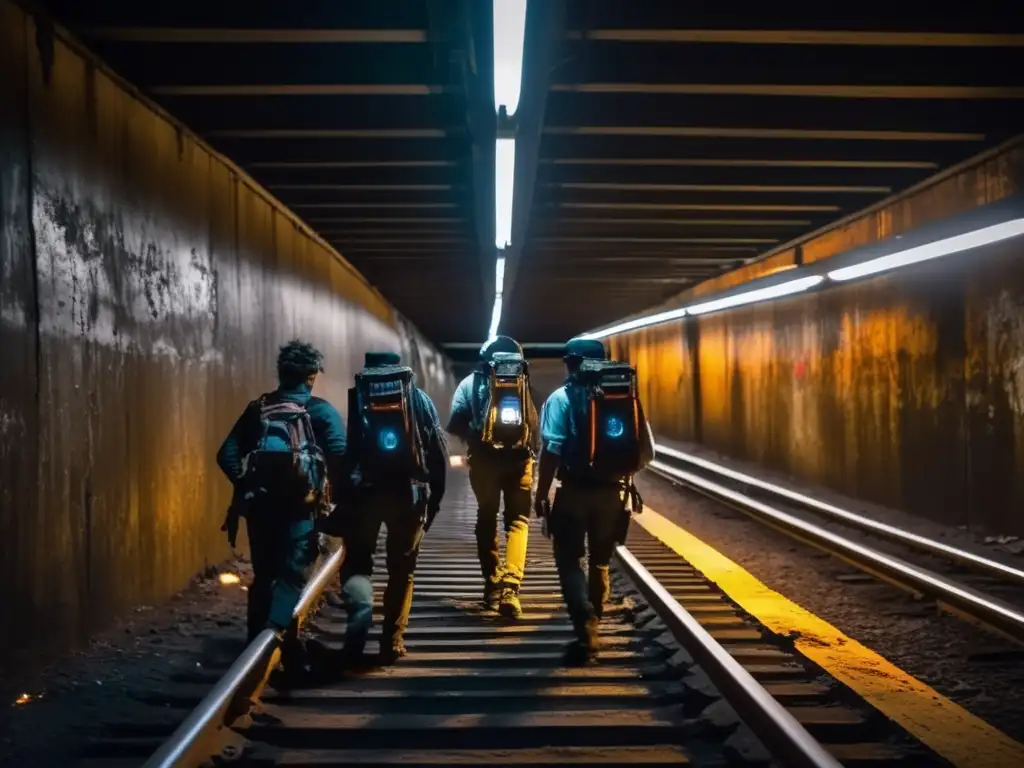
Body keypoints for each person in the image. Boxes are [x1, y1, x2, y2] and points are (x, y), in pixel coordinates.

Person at [215, 339, 346, 674]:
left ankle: (253, 651)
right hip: (302, 512)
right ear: (311, 376)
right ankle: (282, 643)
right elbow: (342, 458)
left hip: (260, 511)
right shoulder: (320, 412)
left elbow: (226, 455)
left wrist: (246, 486)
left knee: (264, 577)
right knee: (292, 577)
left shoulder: (258, 410)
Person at [534, 338, 655, 664]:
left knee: (569, 559)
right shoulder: (626, 396)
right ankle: (595, 623)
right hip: (612, 495)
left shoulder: (560, 398)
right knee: (600, 562)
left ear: (571, 363)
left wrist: (542, 492)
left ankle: (585, 628)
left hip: (573, 493)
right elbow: (646, 453)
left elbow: (551, 450)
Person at [326, 351, 448, 666]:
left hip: (366, 496)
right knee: (402, 570)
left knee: (357, 564)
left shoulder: (358, 399)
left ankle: (361, 616)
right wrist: (434, 500)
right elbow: (436, 451)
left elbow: (346, 453)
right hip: (409, 496)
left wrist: (342, 500)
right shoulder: (418, 399)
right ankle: (392, 641)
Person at [447, 336, 539, 618]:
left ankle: (492, 582)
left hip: (484, 463)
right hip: (519, 462)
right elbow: (533, 424)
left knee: (487, 517)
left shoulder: (469, 384)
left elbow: (456, 423)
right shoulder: (523, 384)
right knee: (518, 521)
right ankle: (512, 587)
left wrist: (472, 444)